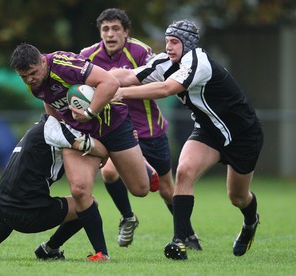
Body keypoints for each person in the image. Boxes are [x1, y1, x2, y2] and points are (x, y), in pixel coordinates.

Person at [111, 19, 263, 260]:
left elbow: (165, 89)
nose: (168, 46)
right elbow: (128, 76)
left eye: (174, 42)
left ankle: (250, 222)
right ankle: (179, 241)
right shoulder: (165, 61)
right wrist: (94, 76)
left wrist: (120, 93)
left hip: (242, 134)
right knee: (184, 171)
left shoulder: (198, 62)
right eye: (167, 41)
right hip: (208, 131)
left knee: (238, 197)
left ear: (188, 44)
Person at [10, 43, 159, 261]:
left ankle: (141, 162)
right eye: (24, 77)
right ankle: (102, 253)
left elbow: (111, 82)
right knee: (79, 190)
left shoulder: (64, 65)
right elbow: (50, 105)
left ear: (43, 61)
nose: (30, 79)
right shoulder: (34, 83)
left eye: (33, 73)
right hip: (80, 133)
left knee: (140, 189)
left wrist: (90, 111)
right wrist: (63, 134)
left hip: (113, 125)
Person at [80, 8, 202, 250]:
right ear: (100, 32)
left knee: (168, 190)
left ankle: (188, 235)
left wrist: (121, 84)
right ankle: (128, 217)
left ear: (126, 32)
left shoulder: (141, 51)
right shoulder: (87, 56)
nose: (110, 34)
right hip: (116, 132)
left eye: (116, 29)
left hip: (150, 132)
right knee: (109, 173)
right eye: (105, 29)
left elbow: (158, 80)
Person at [0, 114, 109, 261]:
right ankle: (50, 249)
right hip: (29, 216)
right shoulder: (57, 131)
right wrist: (109, 150)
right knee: (88, 204)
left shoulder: (39, 127)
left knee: (14, 201)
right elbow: (91, 146)